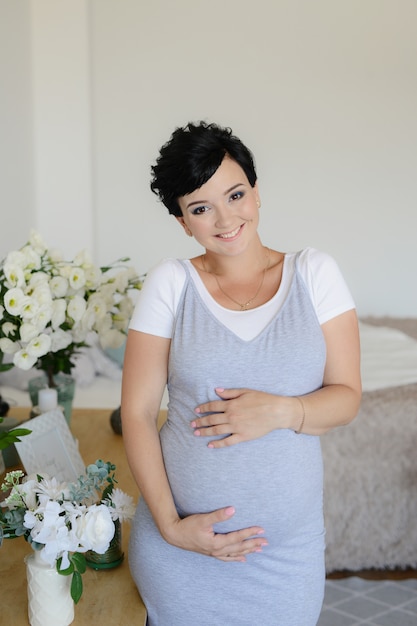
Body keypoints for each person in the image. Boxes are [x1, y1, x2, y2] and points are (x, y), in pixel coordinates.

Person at [121, 121, 362, 626]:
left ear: (256, 192)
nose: (225, 218)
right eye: (201, 208)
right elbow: (138, 413)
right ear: (183, 221)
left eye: (235, 195)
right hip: (182, 551)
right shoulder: (172, 283)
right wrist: (170, 526)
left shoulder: (314, 274)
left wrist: (281, 411)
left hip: (284, 555)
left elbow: (346, 398)